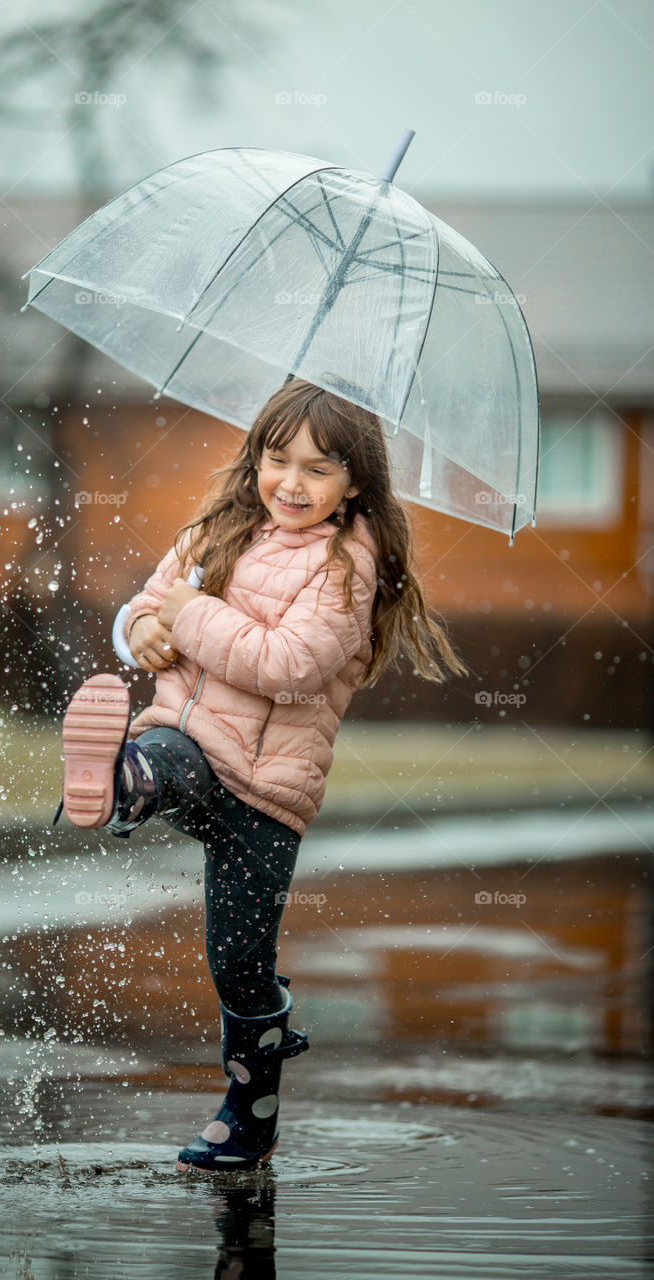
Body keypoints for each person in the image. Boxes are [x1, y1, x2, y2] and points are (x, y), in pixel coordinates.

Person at [60, 377, 467, 1173]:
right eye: (277, 460)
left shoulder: (347, 566)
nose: (291, 483)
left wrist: (187, 616)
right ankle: (123, 785)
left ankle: (250, 1113)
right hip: (189, 744)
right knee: (168, 758)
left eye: (318, 469)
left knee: (239, 965)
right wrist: (140, 627)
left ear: (355, 481)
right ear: (254, 459)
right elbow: (149, 603)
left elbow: (288, 667)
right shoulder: (216, 531)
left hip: (267, 798)